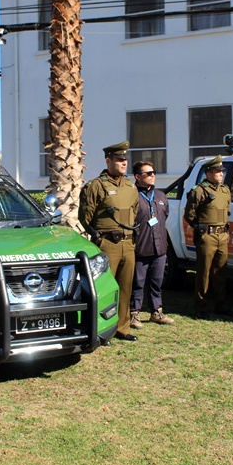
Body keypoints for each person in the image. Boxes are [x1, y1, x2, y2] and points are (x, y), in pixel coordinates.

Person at [79, 141, 139, 342]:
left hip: (128, 244)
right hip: (107, 244)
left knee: (125, 288)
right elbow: (85, 217)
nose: (124, 163)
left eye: (125, 159)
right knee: (103, 288)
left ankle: (122, 328)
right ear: (108, 160)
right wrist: (98, 236)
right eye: (120, 159)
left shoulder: (131, 185)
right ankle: (99, 329)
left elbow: (135, 212)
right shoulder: (96, 186)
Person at [183, 156, 231, 317]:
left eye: (222, 171)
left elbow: (227, 211)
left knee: (220, 273)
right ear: (208, 173)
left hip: (222, 235)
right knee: (203, 273)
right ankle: (201, 306)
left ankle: (221, 305)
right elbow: (189, 214)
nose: (221, 174)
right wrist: (200, 229)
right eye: (217, 171)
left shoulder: (225, 190)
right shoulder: (200, 191)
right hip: (207, 236)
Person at [130, 160, 174, 328]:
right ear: (137, 176)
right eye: (148, 173)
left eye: (153, 172)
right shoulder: (132, 195)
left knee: (157, 281)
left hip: (160, 248)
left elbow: (165, 216)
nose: (152, 175)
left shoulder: (161, 196)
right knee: (138, 283)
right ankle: (134, 314)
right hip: (141, 248)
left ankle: (157, 312)